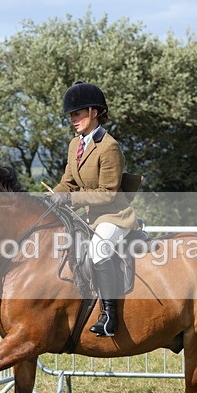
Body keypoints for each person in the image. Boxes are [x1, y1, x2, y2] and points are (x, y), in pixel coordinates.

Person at [48, 81, 140, 337]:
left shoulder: (109, 147)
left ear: (94, 112)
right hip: (91, 217)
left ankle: (109, 316)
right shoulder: (74, 145)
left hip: (114, 216)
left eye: (76, 113)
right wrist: (48, 198)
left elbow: (108, 193)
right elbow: (67, 182)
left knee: (99, 252)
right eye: (71, 115)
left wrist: (70, 200)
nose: (72, 119)